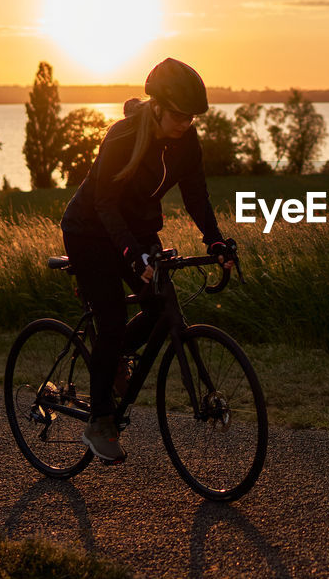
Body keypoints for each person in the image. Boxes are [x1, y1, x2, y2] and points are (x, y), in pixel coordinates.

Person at [60, 57, 235, 464]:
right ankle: (99, 420)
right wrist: (132, 255)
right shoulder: (122, 137)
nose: (185, 123)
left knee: (161, 308)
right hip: (89, 230)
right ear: (156, 106)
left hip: (135, 228)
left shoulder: (186, 142)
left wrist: (215, 243)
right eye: (178, 115)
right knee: (112, 319)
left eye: (192, 117)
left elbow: (196, 197)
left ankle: (117, 357)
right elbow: (104, 204)